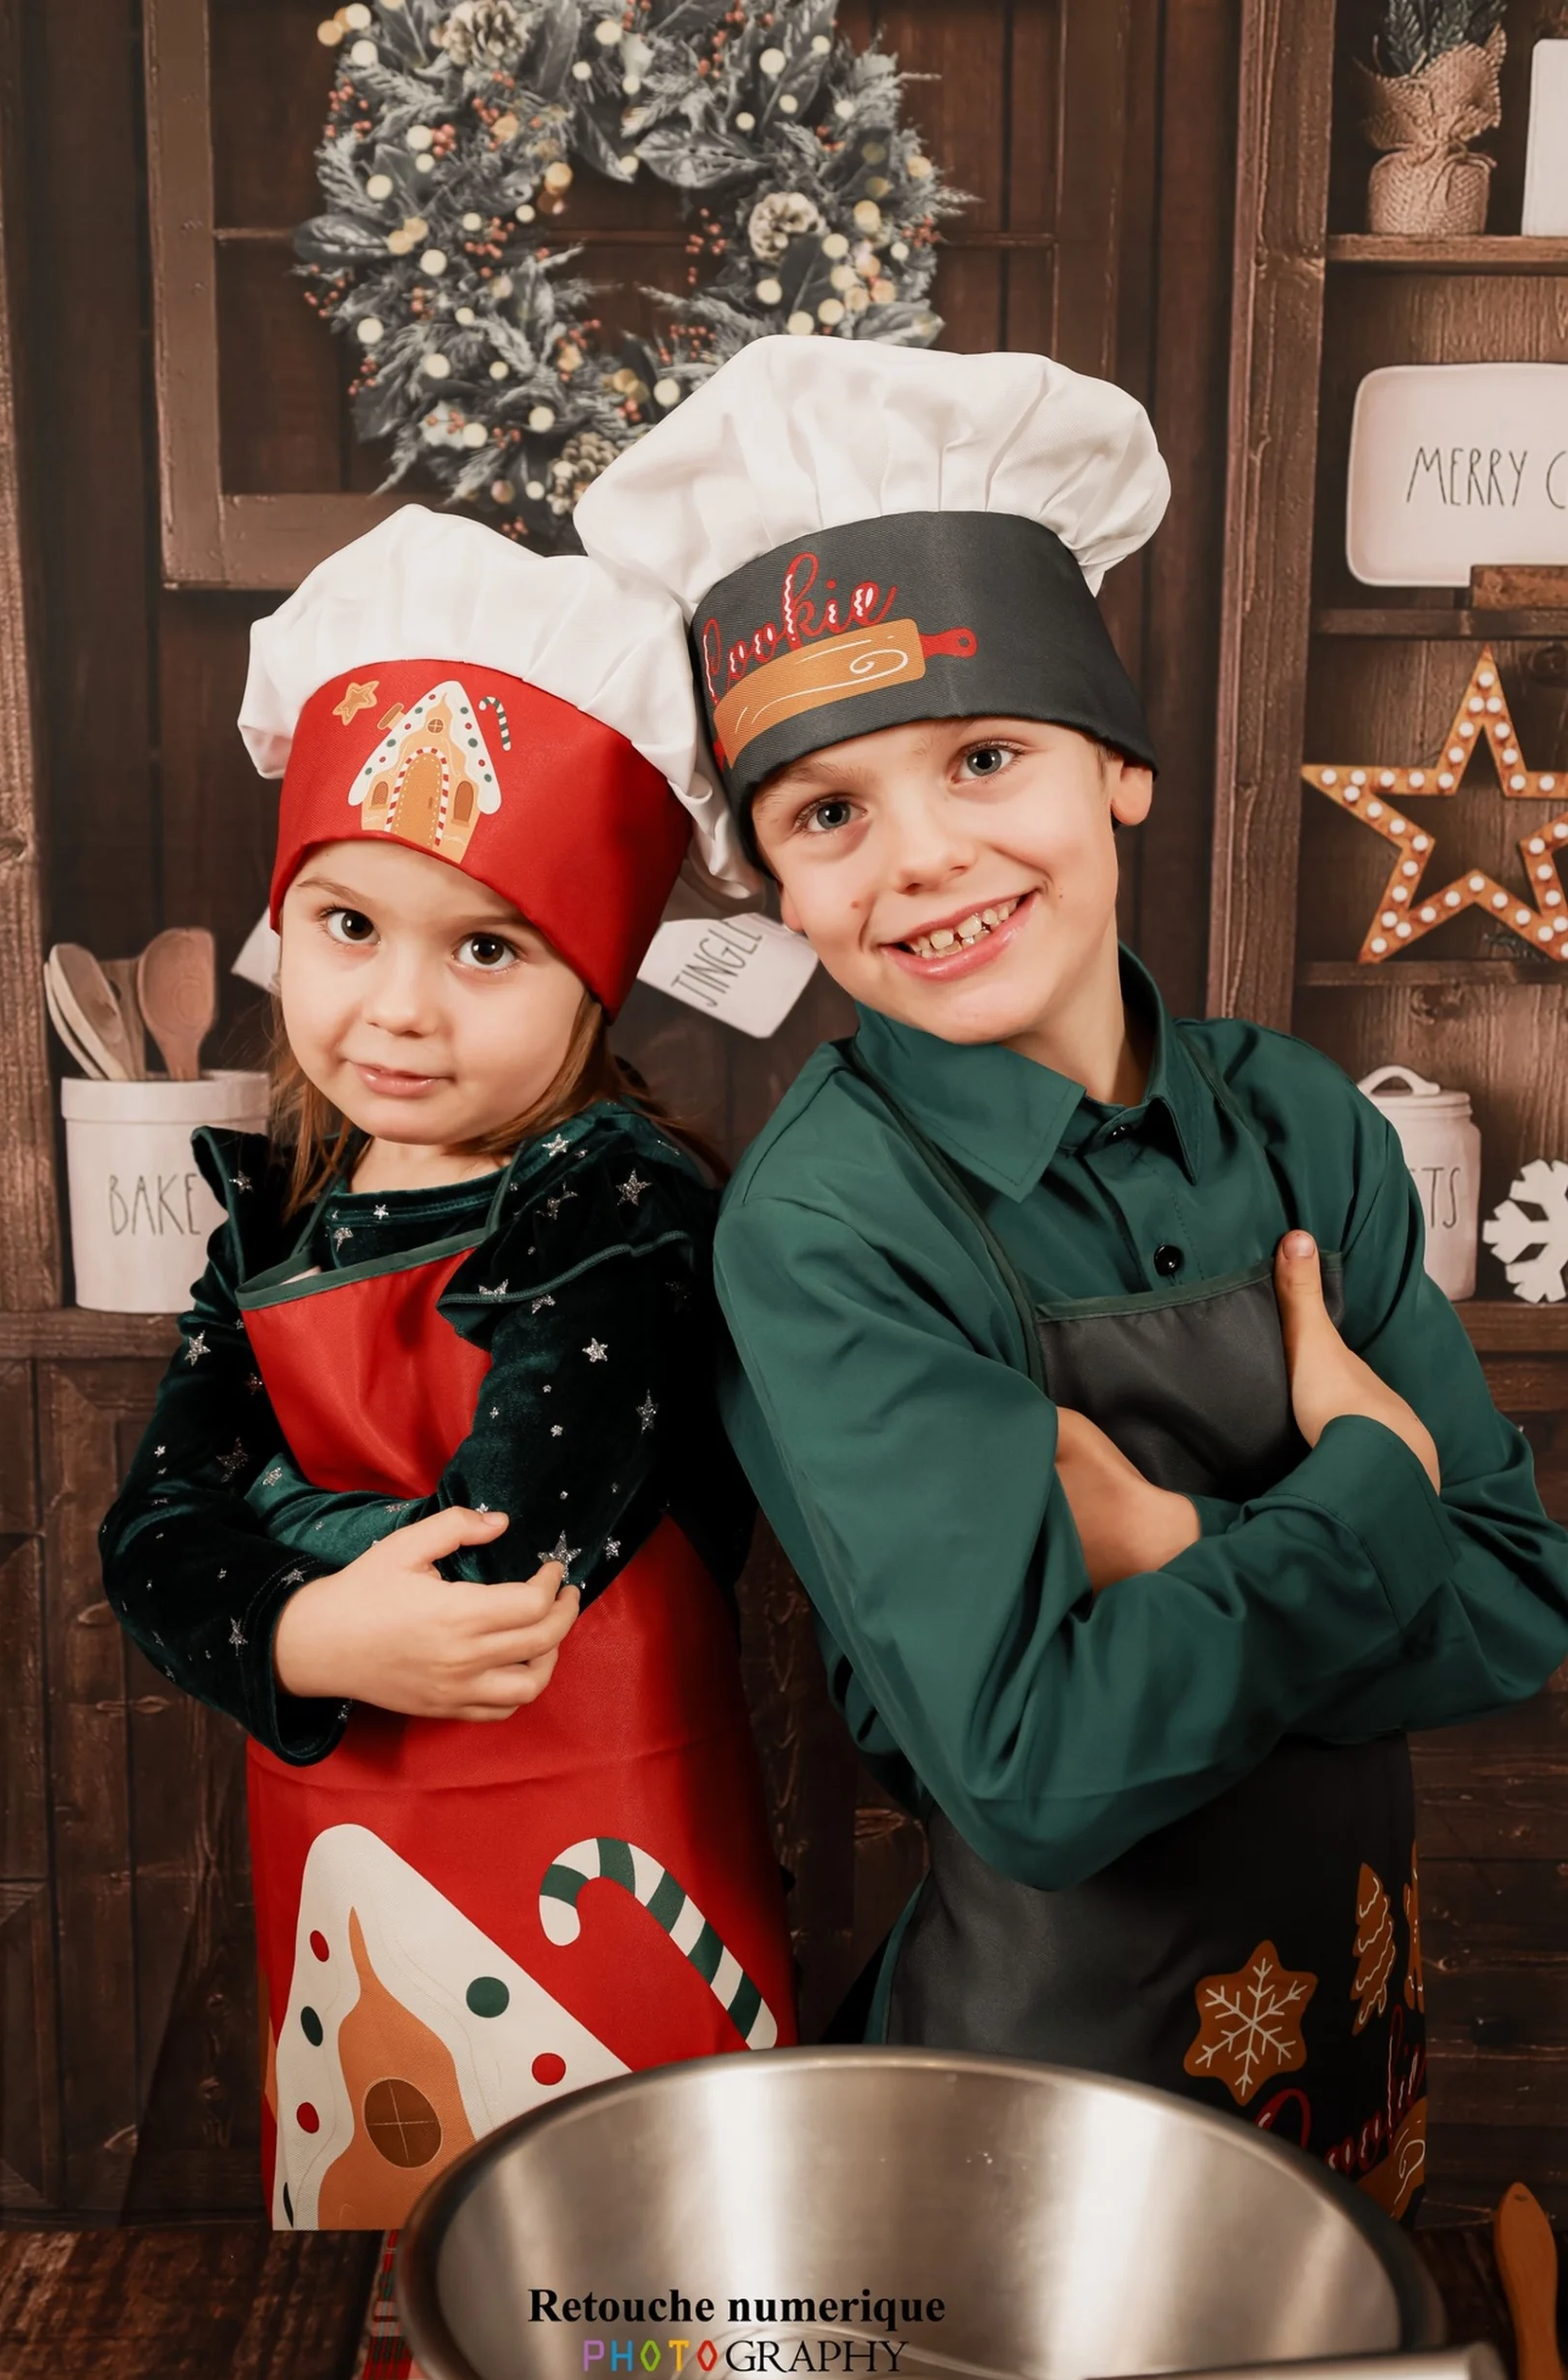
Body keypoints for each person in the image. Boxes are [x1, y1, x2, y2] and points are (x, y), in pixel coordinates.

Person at [575, 337, 1568, 2219]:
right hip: (1053, 2111)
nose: (923, 857)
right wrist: (1370, 1487)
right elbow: (1036, 1773)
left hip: (1358, 2049)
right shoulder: (826, 1230)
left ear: (1116, 764)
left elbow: (1517, 1605)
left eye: (983, 756)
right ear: (768, 881)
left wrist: (1177, 1554)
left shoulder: (1304, 1122)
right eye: (826, 812)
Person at [99, 508, 795, 2245]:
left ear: (593, 975)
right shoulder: (280, 1212)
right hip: (342, 1845)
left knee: (635, 2266)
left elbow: (501, 1559)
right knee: (386, 2236)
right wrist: (301, 1637)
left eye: (485, 948)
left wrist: (261, 1554)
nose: (397, 1007)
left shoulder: (615, 1207)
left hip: (603, 1832)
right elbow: (146, 1534)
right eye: (348, 926)